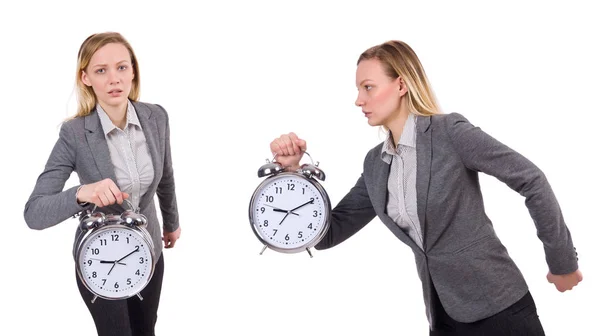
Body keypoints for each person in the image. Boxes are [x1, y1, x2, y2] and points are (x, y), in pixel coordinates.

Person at [269, 40, 582, 335]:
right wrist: (294, 174)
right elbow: (328, 234)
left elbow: (532, 179)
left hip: (500, 310)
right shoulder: (376, 165)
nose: (358, 100)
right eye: (358, 89)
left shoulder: (450, 133)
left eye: (368, 87)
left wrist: (562, 261)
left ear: (401, 85)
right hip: (442, 318)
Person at [24, 32, 181, 336]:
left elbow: (167, 176)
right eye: (101, 70)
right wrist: (82, 193)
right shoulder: (75, 134)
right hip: (100, 258)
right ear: (85, 78)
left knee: (145, 330)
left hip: (148, 251)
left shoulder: (156, 117)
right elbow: (34, 212)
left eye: (122, 67)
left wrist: (171, 224)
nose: (114, 79)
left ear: (133, 71)